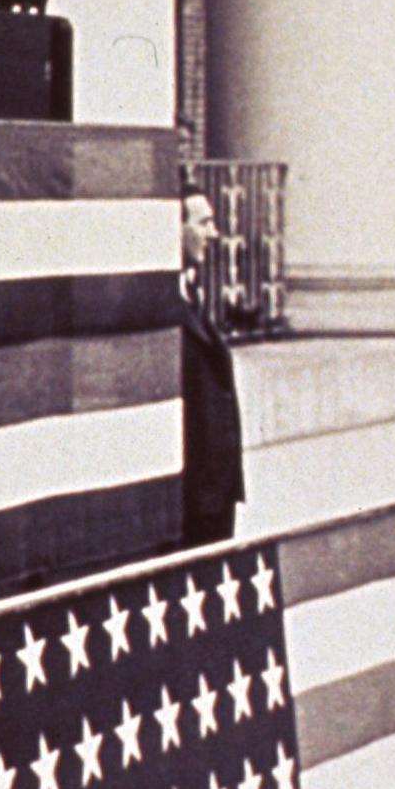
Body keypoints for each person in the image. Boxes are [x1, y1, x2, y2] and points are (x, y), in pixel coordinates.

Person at [180, 186, 245, 546]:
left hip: (216, 490)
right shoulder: (163, 302)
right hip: (192, 495)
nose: (214, 233)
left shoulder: (194, 293)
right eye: (203, 223)